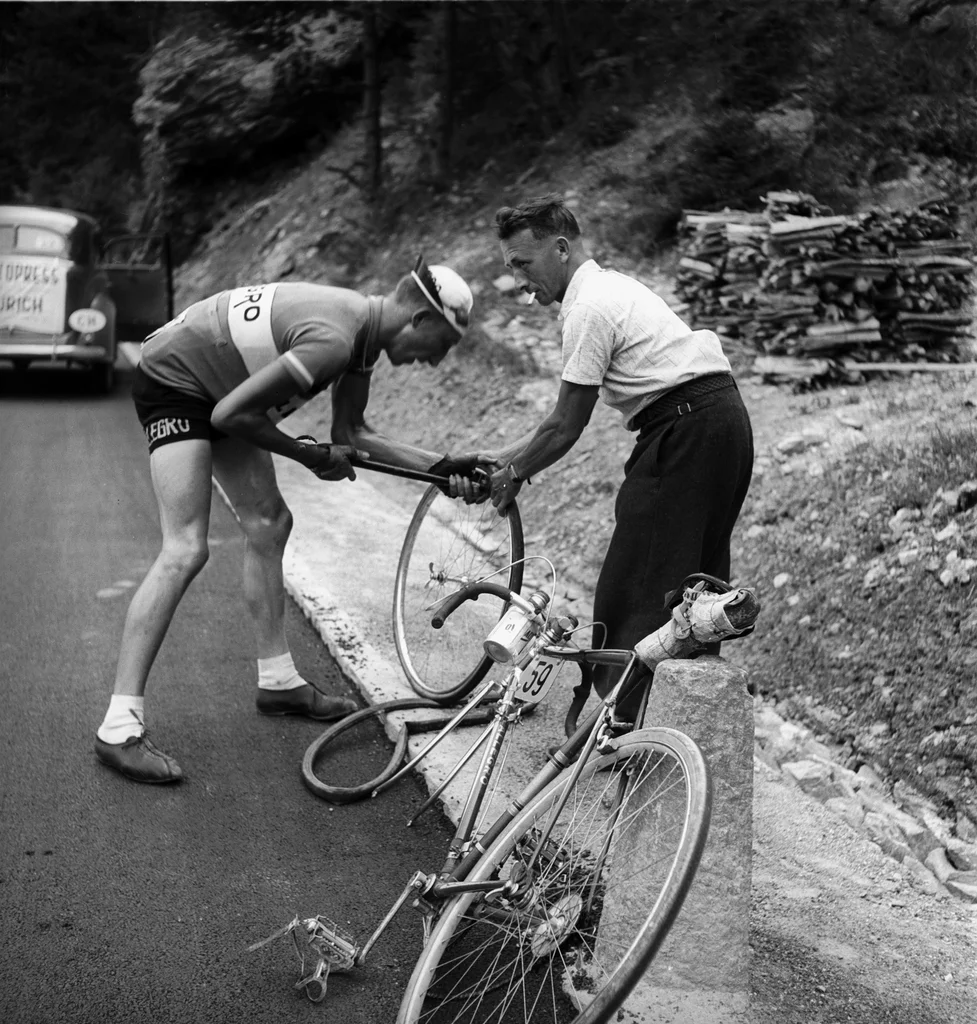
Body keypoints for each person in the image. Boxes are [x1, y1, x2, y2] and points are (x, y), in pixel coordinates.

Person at [95, 257, 480, 784]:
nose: (435, 362)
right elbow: (230, 417)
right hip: (174, 382)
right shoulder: (335, 340)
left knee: (270, 523)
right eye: (442, 346)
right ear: (419, 320)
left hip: (219, 390)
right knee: (185, 547)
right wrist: (309, 455)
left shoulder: (362, 337)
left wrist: (440, 468)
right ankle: (118, 727)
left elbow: (353, 432)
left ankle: (277, 683)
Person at [484, 194, 754, 723]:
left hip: (684, 429)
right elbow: (558, 421)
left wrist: (514, 472)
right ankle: (671, 725)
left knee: (637, 586)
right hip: (722, 419)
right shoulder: (612, 287)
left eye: (523, 263)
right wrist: (501, 457)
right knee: (694, 587)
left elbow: (566, 424)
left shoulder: (586, 308)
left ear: (560, 249)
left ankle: (621, 728)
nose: (519, 279)